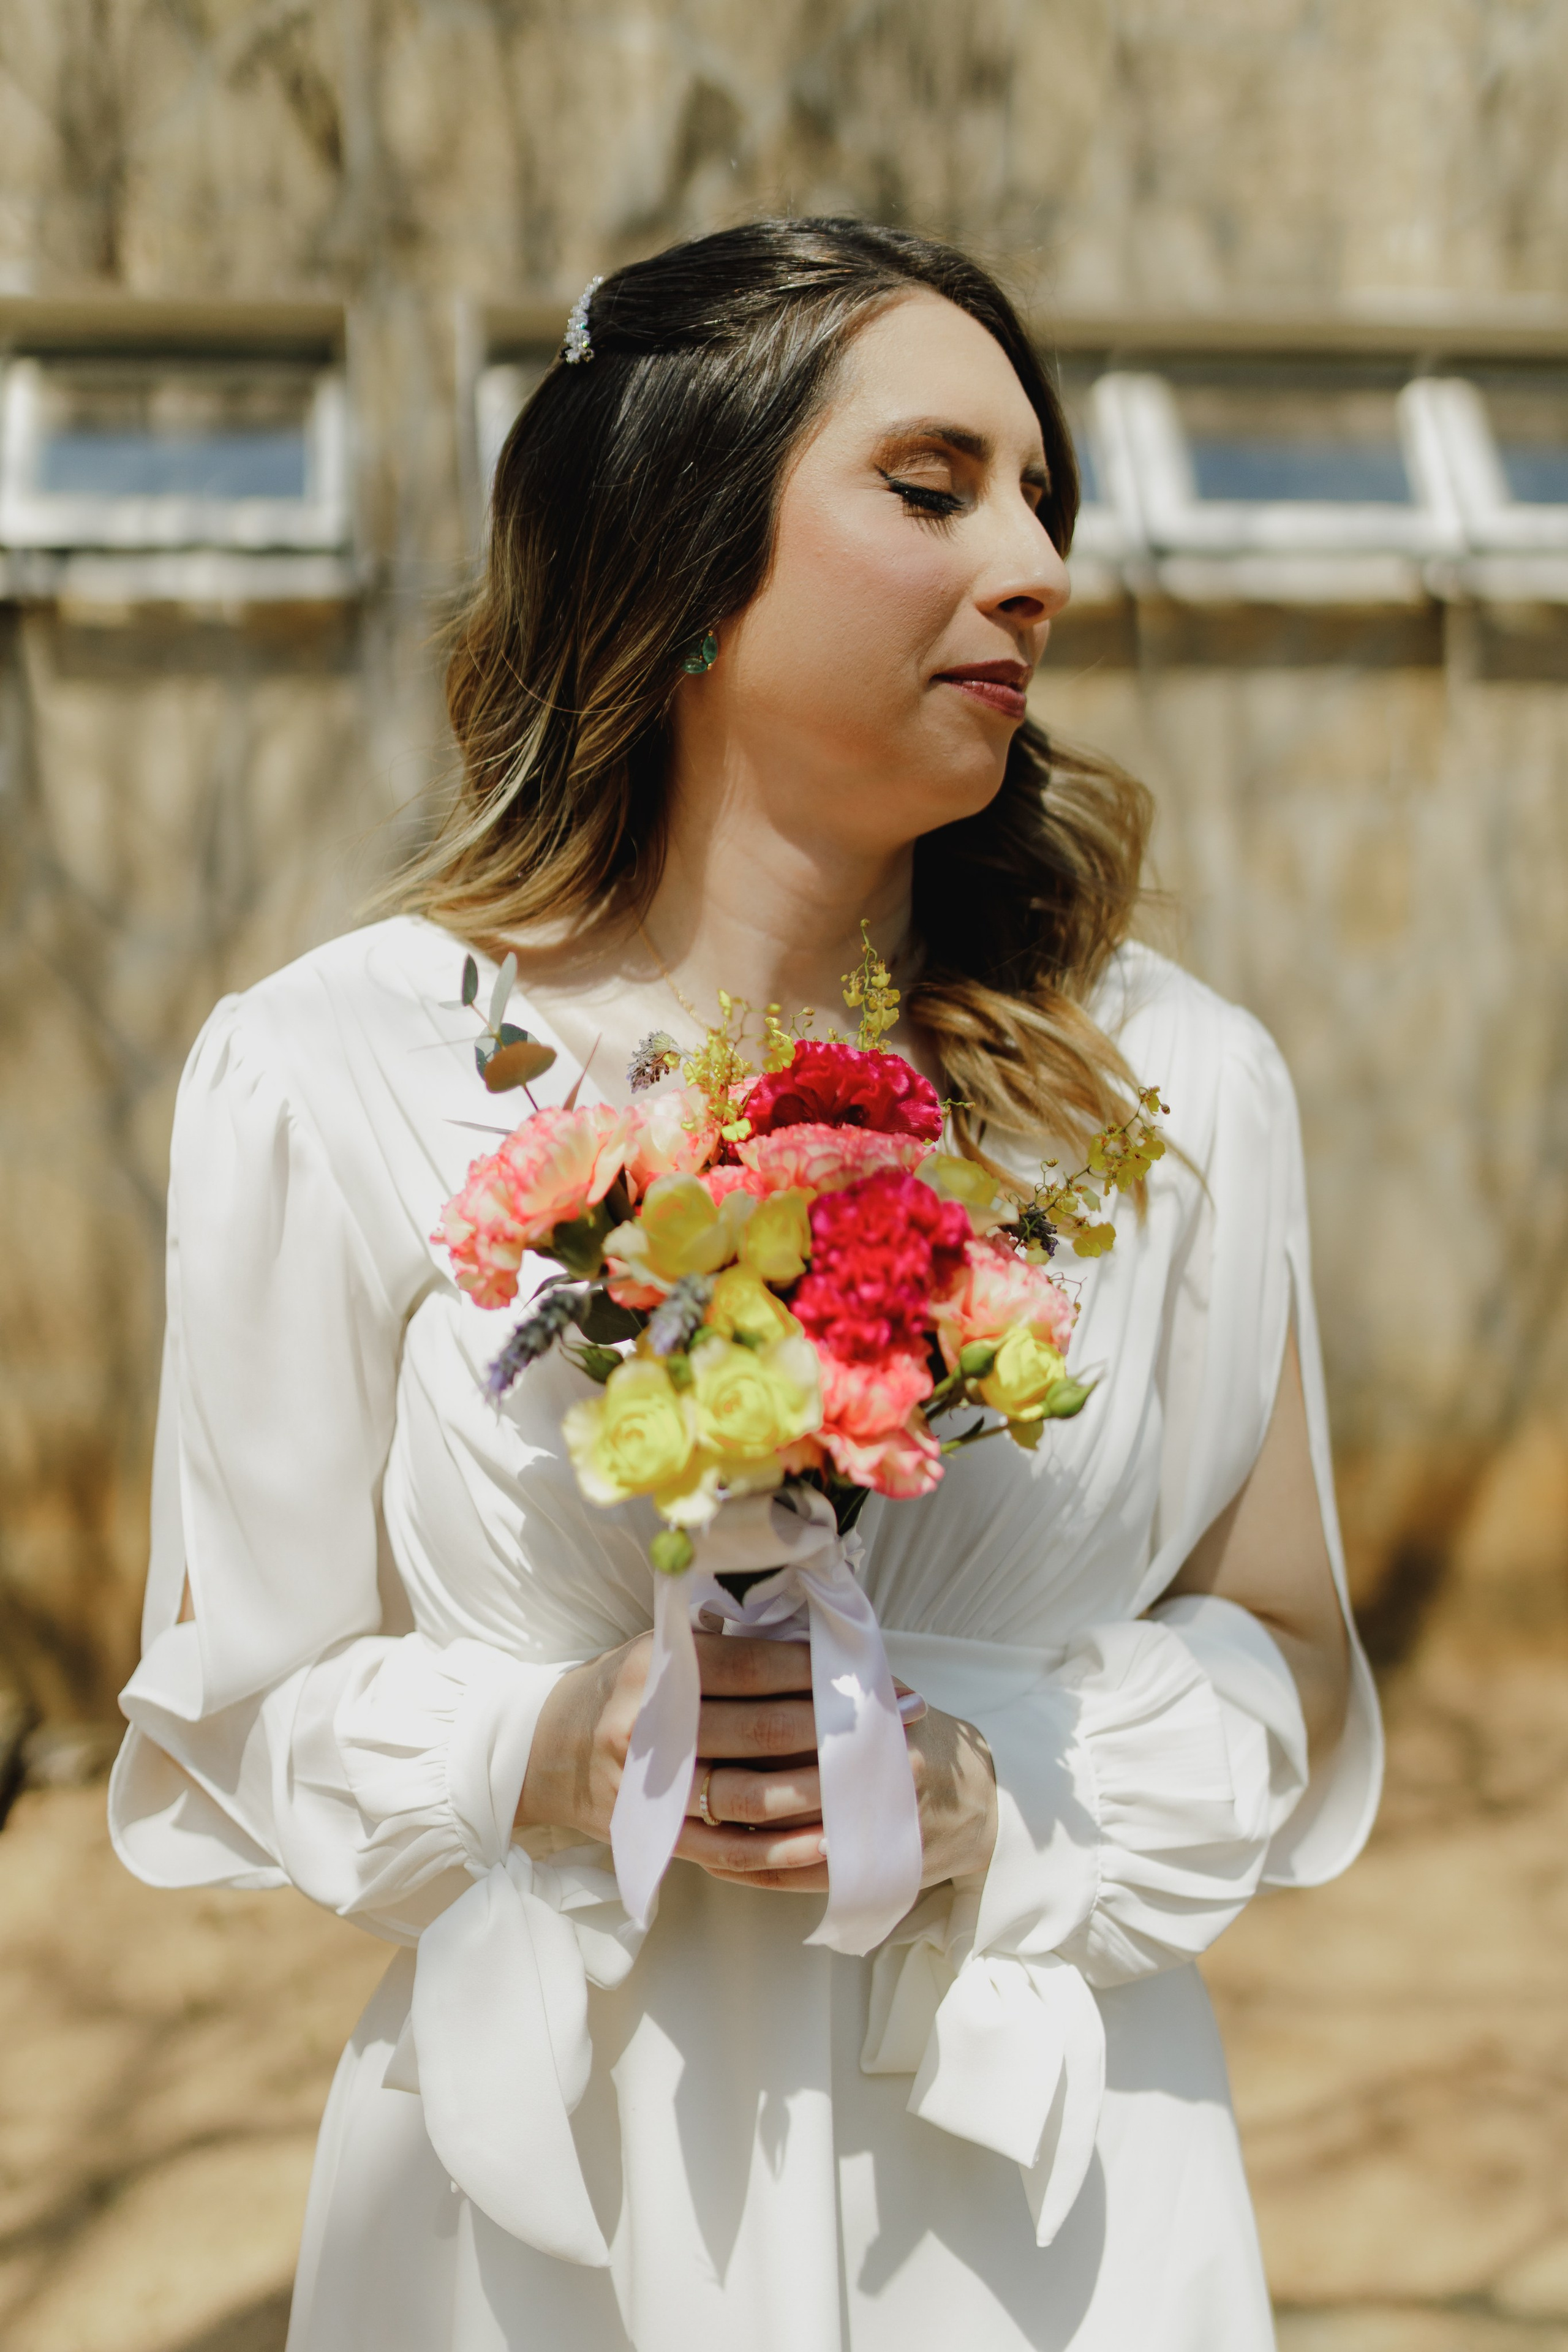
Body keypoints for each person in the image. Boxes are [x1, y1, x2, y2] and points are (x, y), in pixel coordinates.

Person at [110, 218, 1380, 2351]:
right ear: (687, 547)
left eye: (1045, 498)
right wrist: (544, 1751)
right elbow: (238, 1706)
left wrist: (992, 1787)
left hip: (1042, 2217)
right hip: (542, 2222)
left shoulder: (1174, 1088)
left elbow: (1296, 1661)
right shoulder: (330, 1072)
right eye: (934, 488)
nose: (1037, 568)